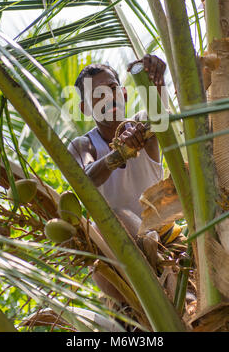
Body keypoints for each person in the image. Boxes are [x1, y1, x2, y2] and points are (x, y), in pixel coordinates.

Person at [68, 54, 176, 301]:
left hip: (166, 244)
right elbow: (87, 178)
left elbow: (158, 118)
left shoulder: (140, 124)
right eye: (97, 95)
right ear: (85, 108)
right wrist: (120, 154)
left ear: (124, 94)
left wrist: (157, 82)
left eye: (112, 88)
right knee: (113, 220)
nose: (108, 97)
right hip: (121, 266)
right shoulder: (84, 145)